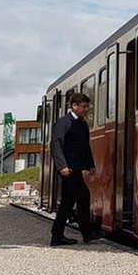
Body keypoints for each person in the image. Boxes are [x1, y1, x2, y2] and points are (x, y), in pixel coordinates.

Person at [50, 92, 96, 246]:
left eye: (87, 106)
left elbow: (85, 146)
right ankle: (87, 233)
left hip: (75, 168)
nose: (86, 109)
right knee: (83, 195)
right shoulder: (64, 122)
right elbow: (56, 143)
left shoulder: (82, 124)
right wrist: (62, 166)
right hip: (67, 169)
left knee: (67, 203)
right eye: (84, 106)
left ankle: (57, 236)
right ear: (74, 106)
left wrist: (90, 164)